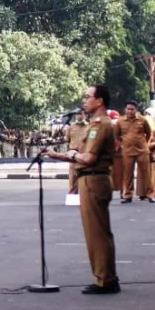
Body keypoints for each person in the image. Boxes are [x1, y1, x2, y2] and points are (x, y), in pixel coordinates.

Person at [44, 84, 120, 294]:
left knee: (98, 234)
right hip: (89, 179)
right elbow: (80, 153)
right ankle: (104, 277)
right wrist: (57, 155)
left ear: (100, 101)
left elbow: (88, 157)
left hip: (94, 180)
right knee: (95, 233)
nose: (84, 101)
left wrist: (73, 156)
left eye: (88, 97)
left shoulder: (101, 124)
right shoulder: (94, 124)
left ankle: (106, 280)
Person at [115, 102, 154, 203]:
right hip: (128, 151)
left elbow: (149, 133)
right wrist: (122, 144)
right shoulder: (120, 121)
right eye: (128, 109)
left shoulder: (143, 120)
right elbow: (116, 135)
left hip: (142, 150)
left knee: (146, 173)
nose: (130, 111)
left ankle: (150, 194)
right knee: (128, 174)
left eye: (132, 109)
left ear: (136, 110)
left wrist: (145, 144)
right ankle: (128, 195)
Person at [66, 110, 88, 195]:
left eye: (81, 114)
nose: (79, 116)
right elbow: (68, 139)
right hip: (73, 154)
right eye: (77, 114)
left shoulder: (89, 126)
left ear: (85, 115)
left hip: (84, 154)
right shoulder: (70, 127)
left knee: (85, 176)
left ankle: (85, 196)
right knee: (73, 176)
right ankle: (72, 195)